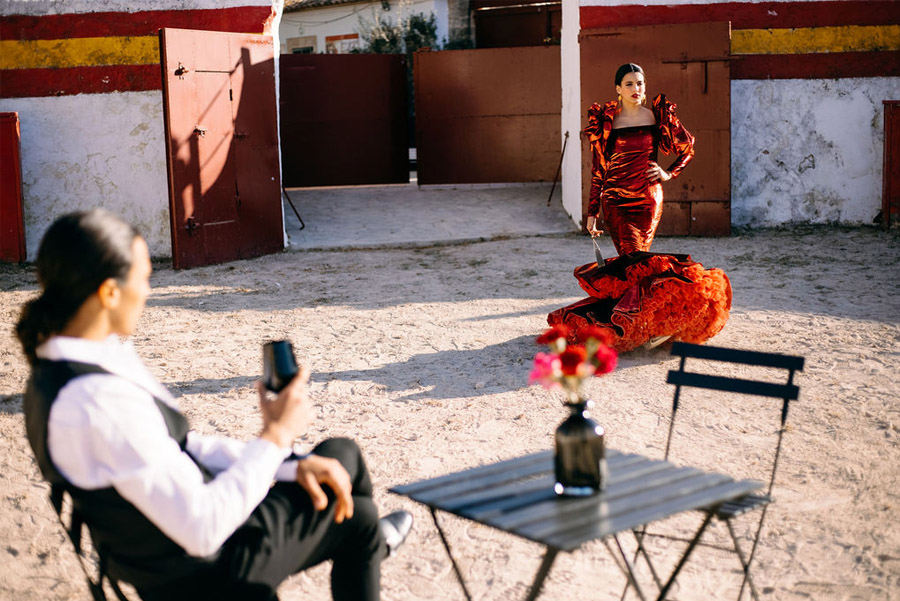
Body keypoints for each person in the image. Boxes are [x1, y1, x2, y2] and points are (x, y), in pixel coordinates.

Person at [18, 209, 412, 601]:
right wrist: (276, 435)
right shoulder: (98, 401)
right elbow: (203, 529)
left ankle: (371, 546)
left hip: (180, 539)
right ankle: (370, 544)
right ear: (108, 292)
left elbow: (184, 445)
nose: (149, 292)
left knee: (341, 455)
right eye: (144, 280)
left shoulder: (68, 365)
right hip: (207, 573)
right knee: (357, 518)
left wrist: (288, 461)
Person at [549, 63, 731, 351]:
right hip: (616, 201)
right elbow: (599, 172)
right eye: (630, 84)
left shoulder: (656, 116)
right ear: (618, 89)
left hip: (648, 199)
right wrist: (592, 213)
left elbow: (688, 146)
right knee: (633, 259)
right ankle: (641, 325)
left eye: (641, 84)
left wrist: (669, 172)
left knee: (643, 263)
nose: (637, 90)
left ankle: (650, 325)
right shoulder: (606, 121)